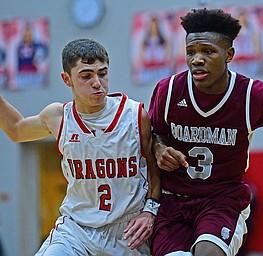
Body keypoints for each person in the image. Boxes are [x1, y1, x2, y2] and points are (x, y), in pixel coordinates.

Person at [148, 8, 263, 256]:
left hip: (222, 199)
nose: (196, 59)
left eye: (207, 51)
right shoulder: (169, 90)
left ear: (229, 54)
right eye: (191, 52)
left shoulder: (252, 95)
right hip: (172, 200)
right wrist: (160, 148)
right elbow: (154, 135)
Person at [0, 38, 161, 255]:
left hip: (128, 230)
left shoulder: (133, 115)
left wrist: (150, 211)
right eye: (86, 76)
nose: (97, 82)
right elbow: (17, 130)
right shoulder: (58, 116)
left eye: (102, 73)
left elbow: (154, 168)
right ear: (67, 79)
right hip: (77, 229)